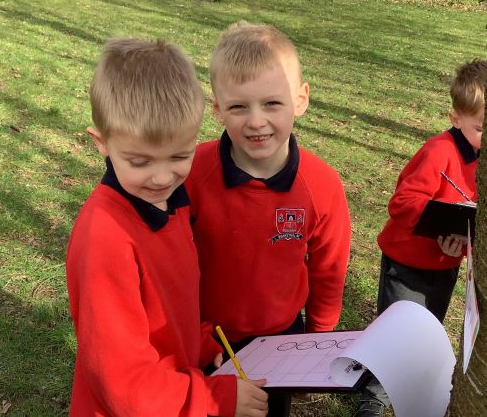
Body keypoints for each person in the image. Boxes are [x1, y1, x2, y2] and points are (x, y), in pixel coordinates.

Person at [66, 37, 269, 416]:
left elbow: (174, 300)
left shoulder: (172, 201)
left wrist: (202, 343)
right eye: (140, 161)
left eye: (179, 156)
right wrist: (214, 398)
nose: (162, 178)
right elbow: (122, 384)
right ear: (102, 143)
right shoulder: (106, 238)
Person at [185, 21, 351, 417]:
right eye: (238, 107)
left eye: (272, 103)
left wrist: (316, 346)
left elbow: (328, 273)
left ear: (300, 99)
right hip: (208, 339)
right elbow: (170, 265)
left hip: (282, 341)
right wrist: (197, 336)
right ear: (218, 109)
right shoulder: (191, 174)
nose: (256, 121)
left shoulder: (322, 185)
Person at [355, 58, 487, 417]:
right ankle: (373, 396)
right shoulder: (439, 152)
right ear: (455, 118)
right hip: (408, 262)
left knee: (427, 329)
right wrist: (439, 226)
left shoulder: (482, 159)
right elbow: (402, 202)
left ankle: (410, 385)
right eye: (480, 128)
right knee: (397, 331)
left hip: (446, 264)